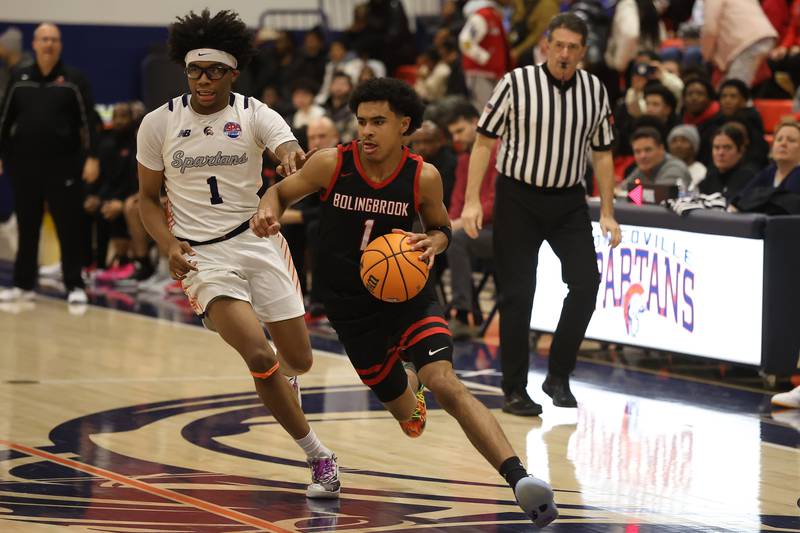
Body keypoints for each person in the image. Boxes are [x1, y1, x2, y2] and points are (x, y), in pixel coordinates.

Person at [253, 77, 558, 528]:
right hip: (351, 309)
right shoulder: (331, 164)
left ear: (405, 125)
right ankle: (407, 384)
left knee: (446, 381)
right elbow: (279, 191)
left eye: (379, 122)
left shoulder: (423, 176)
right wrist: (267, 210)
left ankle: (519, 478)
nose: (367, 131)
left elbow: (441, 227)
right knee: (410, 421)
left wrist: (434, 241)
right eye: (362, 122)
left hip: (409, 296)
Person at [135, 9, 341, 499]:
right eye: (194, 70)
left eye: (214, 71)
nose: (203, 80)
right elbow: (146, 198)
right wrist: (168, 246)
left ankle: (287, 388)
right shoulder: (158, 123)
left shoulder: (254, 113)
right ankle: (320, 457)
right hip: (201, 257)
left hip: (257, 241)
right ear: (184, 71)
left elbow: (285, 144)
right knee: (259, 355)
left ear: (233, 72)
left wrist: (291, 157)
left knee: (300, 359)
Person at [462, 13, 622, 414]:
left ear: (583, 52)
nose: (565, 54)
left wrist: (607, 210)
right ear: (546, 45)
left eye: (573, 48)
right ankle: (514, 388)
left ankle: (558, 376)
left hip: (568, 199)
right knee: (518, 294)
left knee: (586, 283)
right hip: (517, 196)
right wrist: (469, 202)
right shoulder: (516, 83)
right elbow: (483, 142)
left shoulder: (594, 89)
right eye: (559, 45)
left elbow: (602, 154)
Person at [0, 23, 99, 304]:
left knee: (69, 226)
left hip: (64, 165)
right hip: (25, 165)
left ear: (60, 45)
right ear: (34, 44)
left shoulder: (73, 80)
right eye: (44, 39)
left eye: (54, 40)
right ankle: (22, 284)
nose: (49, 44)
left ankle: (74, 284)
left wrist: (92, 157)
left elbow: (88, 121)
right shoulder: (19, 77)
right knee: (27, 225)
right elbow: (5, 119)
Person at [443, 99, 497, 340]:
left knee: (457, 239)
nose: (456, 137)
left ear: (476, 122)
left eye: (460, 130)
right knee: (431, 234)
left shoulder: (499, 151)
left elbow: (497, 203)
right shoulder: (465, 159)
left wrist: (460, 223)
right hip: (473, 228)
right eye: (452, 133)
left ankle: (463, 314)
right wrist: (446, 224)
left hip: (500, 230)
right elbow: (457, 200)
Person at [701, 0, 777, 85]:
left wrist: (706, 55)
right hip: (764, 37)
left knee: (734, 87)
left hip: (747, 43)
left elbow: (710, 29)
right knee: (737, 85)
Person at [459, 0, 512, 111]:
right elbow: (465, 41)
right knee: (484, 111)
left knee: (496, 111)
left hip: (495, 73)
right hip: (480, 73)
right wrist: (483, 58)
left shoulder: (495, 15)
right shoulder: (482, 16)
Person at [621, 127, 692, 192]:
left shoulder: (675, 167)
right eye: (637, 151)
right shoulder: (643, 169)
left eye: (648, 150)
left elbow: (660, 195)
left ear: (661, 149)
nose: (642, 156)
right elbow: (621, 191)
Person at [699, 123, 759, 200]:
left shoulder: (748, 177)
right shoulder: (710, 175)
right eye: (716, 147)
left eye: (727, 148)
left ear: (741, 151)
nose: (720, 153)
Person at [667, 124, 707, 191]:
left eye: (684, 141)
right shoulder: (664, 170)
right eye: (674, 141)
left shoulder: (701, 172)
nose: (678, 145)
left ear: (694, 146)